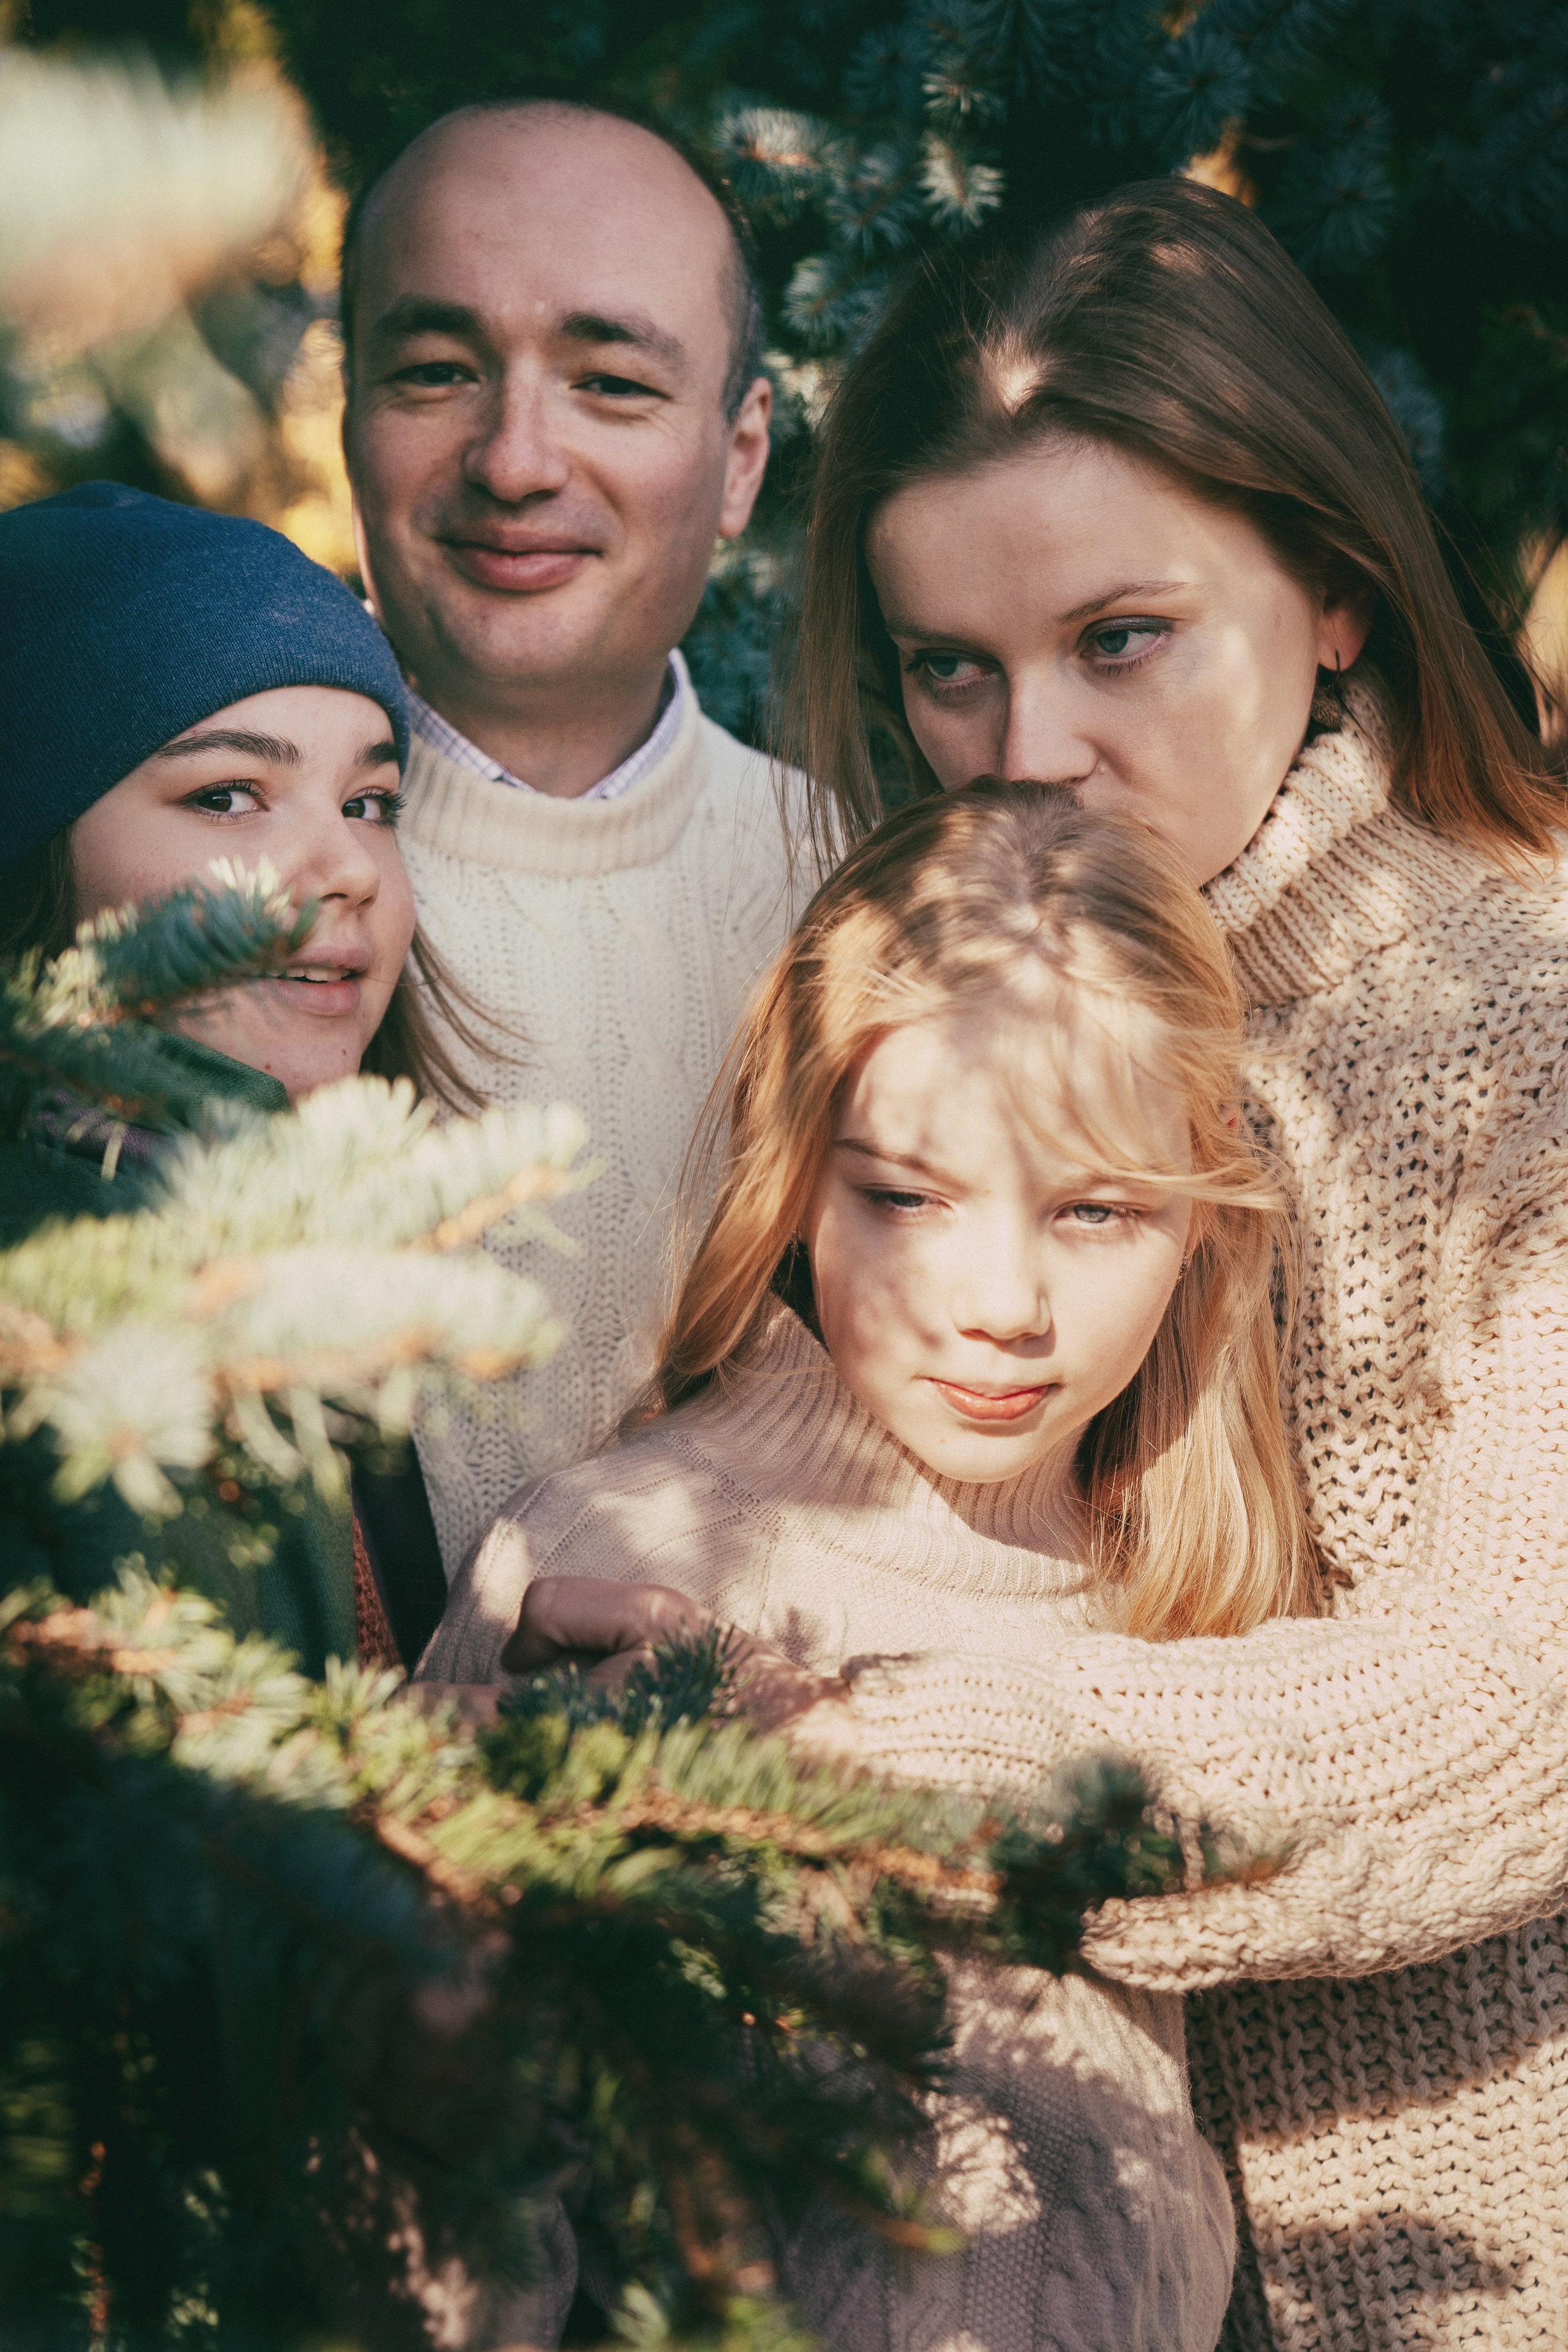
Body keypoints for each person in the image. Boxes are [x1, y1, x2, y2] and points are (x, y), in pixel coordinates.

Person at [478, 185, 1568, 2350]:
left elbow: (1520, 1714)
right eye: (948, 671)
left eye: (1122, 639)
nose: (1031, 752)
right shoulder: (936, 1003)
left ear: (1338, 590)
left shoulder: (1524, 1017)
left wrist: (882, 1751)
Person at [423, 778, 1339, 2350]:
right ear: (797, 1183)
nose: (1000, 1302)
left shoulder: (1194, 1604)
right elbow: (458, 2212)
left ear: (1200, 1218)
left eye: (1097, 1209)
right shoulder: (619, 1567)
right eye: (908, 1197)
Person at [339, 97, 801, 1575]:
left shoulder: (869, 900)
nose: (516, 459)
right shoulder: (181, 878)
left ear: (738, 461)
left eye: (608, 382)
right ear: (344, 412)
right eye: (434, 371)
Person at [0, 480, 470, 1677]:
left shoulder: (318, 1276)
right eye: (227, 796)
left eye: (370, 802)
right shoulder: (52, 1334)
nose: (347, 865)